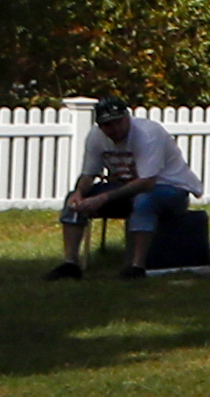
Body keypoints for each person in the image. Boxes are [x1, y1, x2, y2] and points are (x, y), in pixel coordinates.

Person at [53, 97, 194, 280]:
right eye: (108, 125)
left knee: (144, 201)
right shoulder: (96, 137)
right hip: (127, 189)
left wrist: (103, 198)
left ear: (128, 117)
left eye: (119, 121)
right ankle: (70, 264)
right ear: (100, 126)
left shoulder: (148, 134)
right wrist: (79, 193)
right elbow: (89, 174)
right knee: (74, 200)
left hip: (170, 188)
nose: (116, 129)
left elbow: (147, 183)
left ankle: (137, 267)